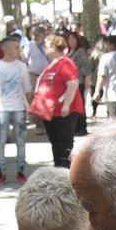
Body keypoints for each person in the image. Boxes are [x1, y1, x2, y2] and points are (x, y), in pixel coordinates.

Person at [35, 32, 86, 169]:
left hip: (65, 111)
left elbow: (72, 84)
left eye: (47, 46)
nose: (45, 49)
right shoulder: (51, 65)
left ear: (54, 47)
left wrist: (66, 105)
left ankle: (66, 170)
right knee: (55, 142)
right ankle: (58, 168)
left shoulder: (65, 63)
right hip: (51, 111)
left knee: (65, 143)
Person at [0, 33, 32, 185]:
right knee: (1, 141)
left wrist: (31, 105)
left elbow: (27, 89)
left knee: (20, 141)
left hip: (19, 108)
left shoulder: (22, 67)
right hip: (2, 109)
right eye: (16, 47)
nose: (18, 50)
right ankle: (1, 171)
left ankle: (20, 170)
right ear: (7, 50)